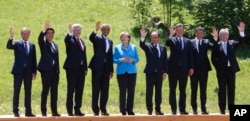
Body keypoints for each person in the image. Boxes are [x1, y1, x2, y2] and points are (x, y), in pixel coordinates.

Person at [211, 22, 245, 115]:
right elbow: (213, 58)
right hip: (221, 71)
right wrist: (218, 68)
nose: (224, 36)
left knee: (231, 90)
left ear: (228, 36)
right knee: (222, 90)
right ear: (220, 36)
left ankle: (231, 109)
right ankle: (222, 109)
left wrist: (241, 32)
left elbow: (241, 42)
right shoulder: (216, 45)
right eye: (222, 34)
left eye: (226, 34)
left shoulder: (232, 43)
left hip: (231, 71)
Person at [6, 27, 37, 117]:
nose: (26, 35)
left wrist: (34, 72)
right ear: (21, 34)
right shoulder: (16, 43)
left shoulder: (32, 45)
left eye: (27, 34)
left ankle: (28, 111)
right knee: (17, 90)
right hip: (18, 71)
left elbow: (33, 59)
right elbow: (9, 46)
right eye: (24, 34)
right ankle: (15, 111)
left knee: (28, 91)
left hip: (28, 72)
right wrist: (11, 37)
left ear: (29, 34)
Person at [166, 23, 194, 115]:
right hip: (173, 69)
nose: (180, 32)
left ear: (183, 31)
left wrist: (191, 67)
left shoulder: (188, 41)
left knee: (183, 90)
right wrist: (171, 34)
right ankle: (173, 109)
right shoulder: (172, 40)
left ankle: (182, 109)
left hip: (184, 69)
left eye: (181, 30)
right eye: (178, 30)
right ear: (175, 31)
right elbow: (167, 43)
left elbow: (190, 56)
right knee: (172, 89)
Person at [140, 28, 168, 115]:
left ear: (159, 38)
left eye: (155, 37)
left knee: (158, 92)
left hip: (160, 73)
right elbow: (142, 45)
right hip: (150, 73)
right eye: (152, 37)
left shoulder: (163, 48)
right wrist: (142, 37)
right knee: (149, 92)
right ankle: (150, 110)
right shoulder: (148, 46)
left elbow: (165, 61)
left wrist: (165, 72)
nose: (154, 39)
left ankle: (158, 109)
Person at [89, 21, 113, 116]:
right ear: (101, 30)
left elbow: (110, 56)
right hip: (97, 67)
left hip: (106, 69)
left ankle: (103, 109)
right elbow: (91, 38)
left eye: (108, 29)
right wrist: (96, 30)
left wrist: (111, 70)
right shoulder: (97, 38)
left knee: (105, 90)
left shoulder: (110, 41)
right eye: (104, 29)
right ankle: (95, 109)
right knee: (96, 89)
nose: (106, 31)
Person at [63, 23, 88, 116]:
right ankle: (69, 110)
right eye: (76, 30)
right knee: (71, 89)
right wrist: (69, 33)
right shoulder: (70, 39)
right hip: (72, 68)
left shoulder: (82, 41)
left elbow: (83, 55)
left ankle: (77, 109)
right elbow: (67, 40)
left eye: (79, 30)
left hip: (81, 69)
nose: (78, 32)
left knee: (80, 89)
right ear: (73, 31)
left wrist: (85, 68)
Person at [37, 20, 60, 116]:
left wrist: (58, 71)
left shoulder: (55, 45)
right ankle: (43, 111)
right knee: (45, 91)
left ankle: (54, 111)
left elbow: (56, 58)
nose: (50, 35)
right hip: (46, 71)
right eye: (48, 33)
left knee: (54, 92)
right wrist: (44, 29)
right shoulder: (44, 44)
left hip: (55, 72)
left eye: (51, 33)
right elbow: (39, 39)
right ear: (46, 35)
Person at [113, 32, 139, 115]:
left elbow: (137, 59)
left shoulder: (134, 47)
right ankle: (123, 110)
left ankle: (130, 109)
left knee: (131, 91)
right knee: (122, 91)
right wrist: (121, 60)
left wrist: (133, 60)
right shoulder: (117, 48)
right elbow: (113, 59)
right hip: (121, 72)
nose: (123, 38)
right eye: (121, 37)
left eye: (125, 37)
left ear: (128, 38)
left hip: (132, 71)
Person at [190, 27, 214, 115]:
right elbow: (189, 56)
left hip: (204, 70)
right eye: (198, 33)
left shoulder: (206, 42)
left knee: (203, 90)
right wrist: (190, 68)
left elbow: (215, 46)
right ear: (195, 33)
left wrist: (215, 38)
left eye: (201, 33)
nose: (200, 34)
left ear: (203, 34)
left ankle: (203, 109)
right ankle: (194, 109)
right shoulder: (190, 42)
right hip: (193, 70)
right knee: (194, 90)